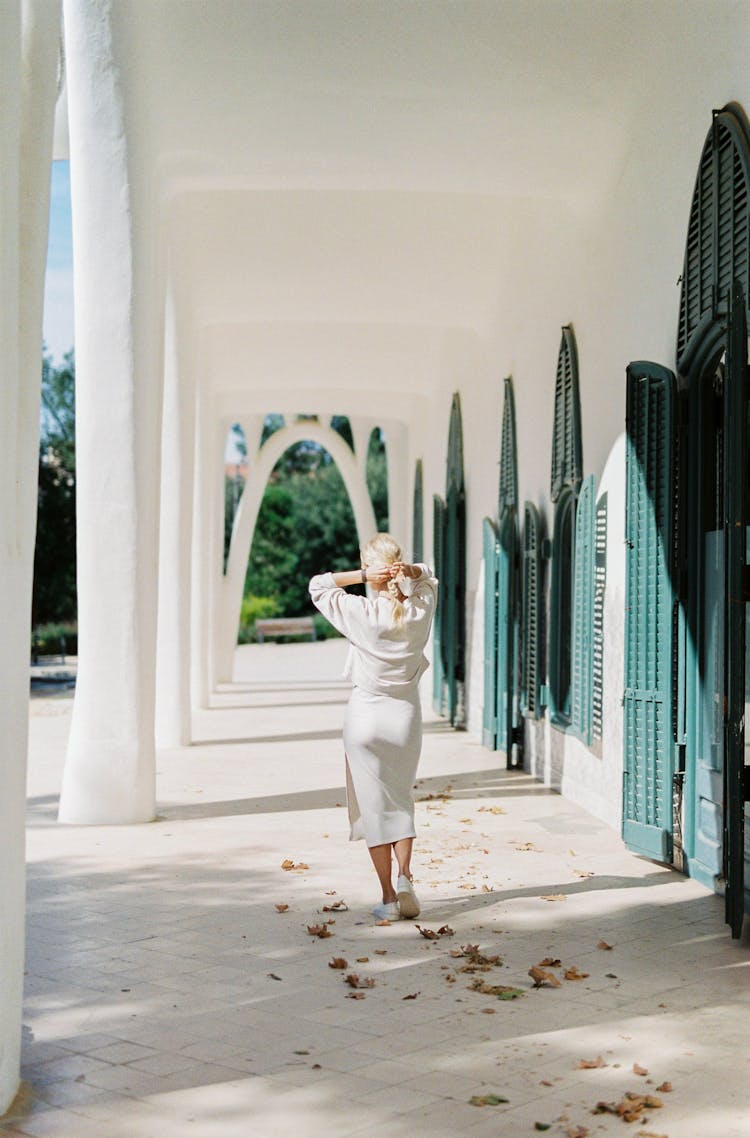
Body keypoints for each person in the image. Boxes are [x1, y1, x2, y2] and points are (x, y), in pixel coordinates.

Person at [308, 534, 438, 921]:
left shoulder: (360, 613)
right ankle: (405, 877)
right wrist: (410, 572)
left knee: (374, 808)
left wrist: (363, 575)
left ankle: (387, 898)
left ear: (373, 568)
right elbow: (428, 579)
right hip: (404, 719)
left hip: (364, 717)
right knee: (400, 801)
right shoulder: (419, 611)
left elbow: (318, 585)